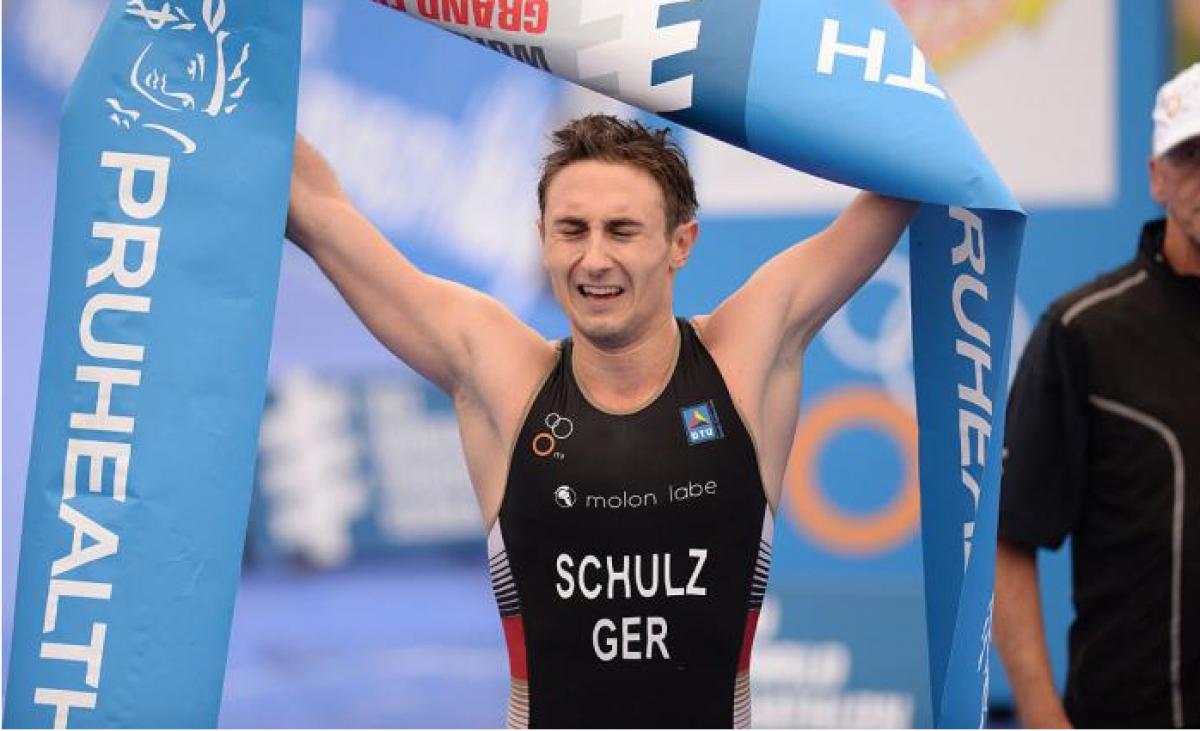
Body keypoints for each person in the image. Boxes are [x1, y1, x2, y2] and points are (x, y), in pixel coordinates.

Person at [285, 114, 915, 728]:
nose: (593, 259)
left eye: (621, 230)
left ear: (680, 244)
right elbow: (315, 208)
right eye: (571, 229)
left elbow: (904, 176)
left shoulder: (741, 361)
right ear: (542, 240)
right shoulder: (505, 378)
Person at [994, 64, 1200, 729]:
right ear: (1156, 176)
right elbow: (1007, 540)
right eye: (1191, 155)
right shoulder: (1086, 332)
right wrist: (1042, 717)